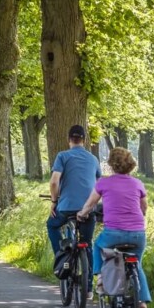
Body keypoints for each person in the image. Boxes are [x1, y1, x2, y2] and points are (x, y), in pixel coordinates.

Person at [77, 147, 151, 308]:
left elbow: (90, 204)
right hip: (137, 234)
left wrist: (82, 214)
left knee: (96, 246)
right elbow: (144, 207)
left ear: (111, 165)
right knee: (137, 265)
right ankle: (142, 304)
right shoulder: (138, 184)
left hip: (113, 234)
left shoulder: (103, 183)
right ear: (130, 165)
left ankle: (101, 278)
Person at [47, 124, 101, 298]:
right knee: (87, 243)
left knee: (52, 225)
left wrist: (54, 202)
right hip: (88, 209)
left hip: (66, 208)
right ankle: (89, 289)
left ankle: (61, 258)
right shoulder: (93, 160)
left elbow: (54, 182)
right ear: (84, 140)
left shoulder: (62, 156)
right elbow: (99, 186)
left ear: (69, 139)